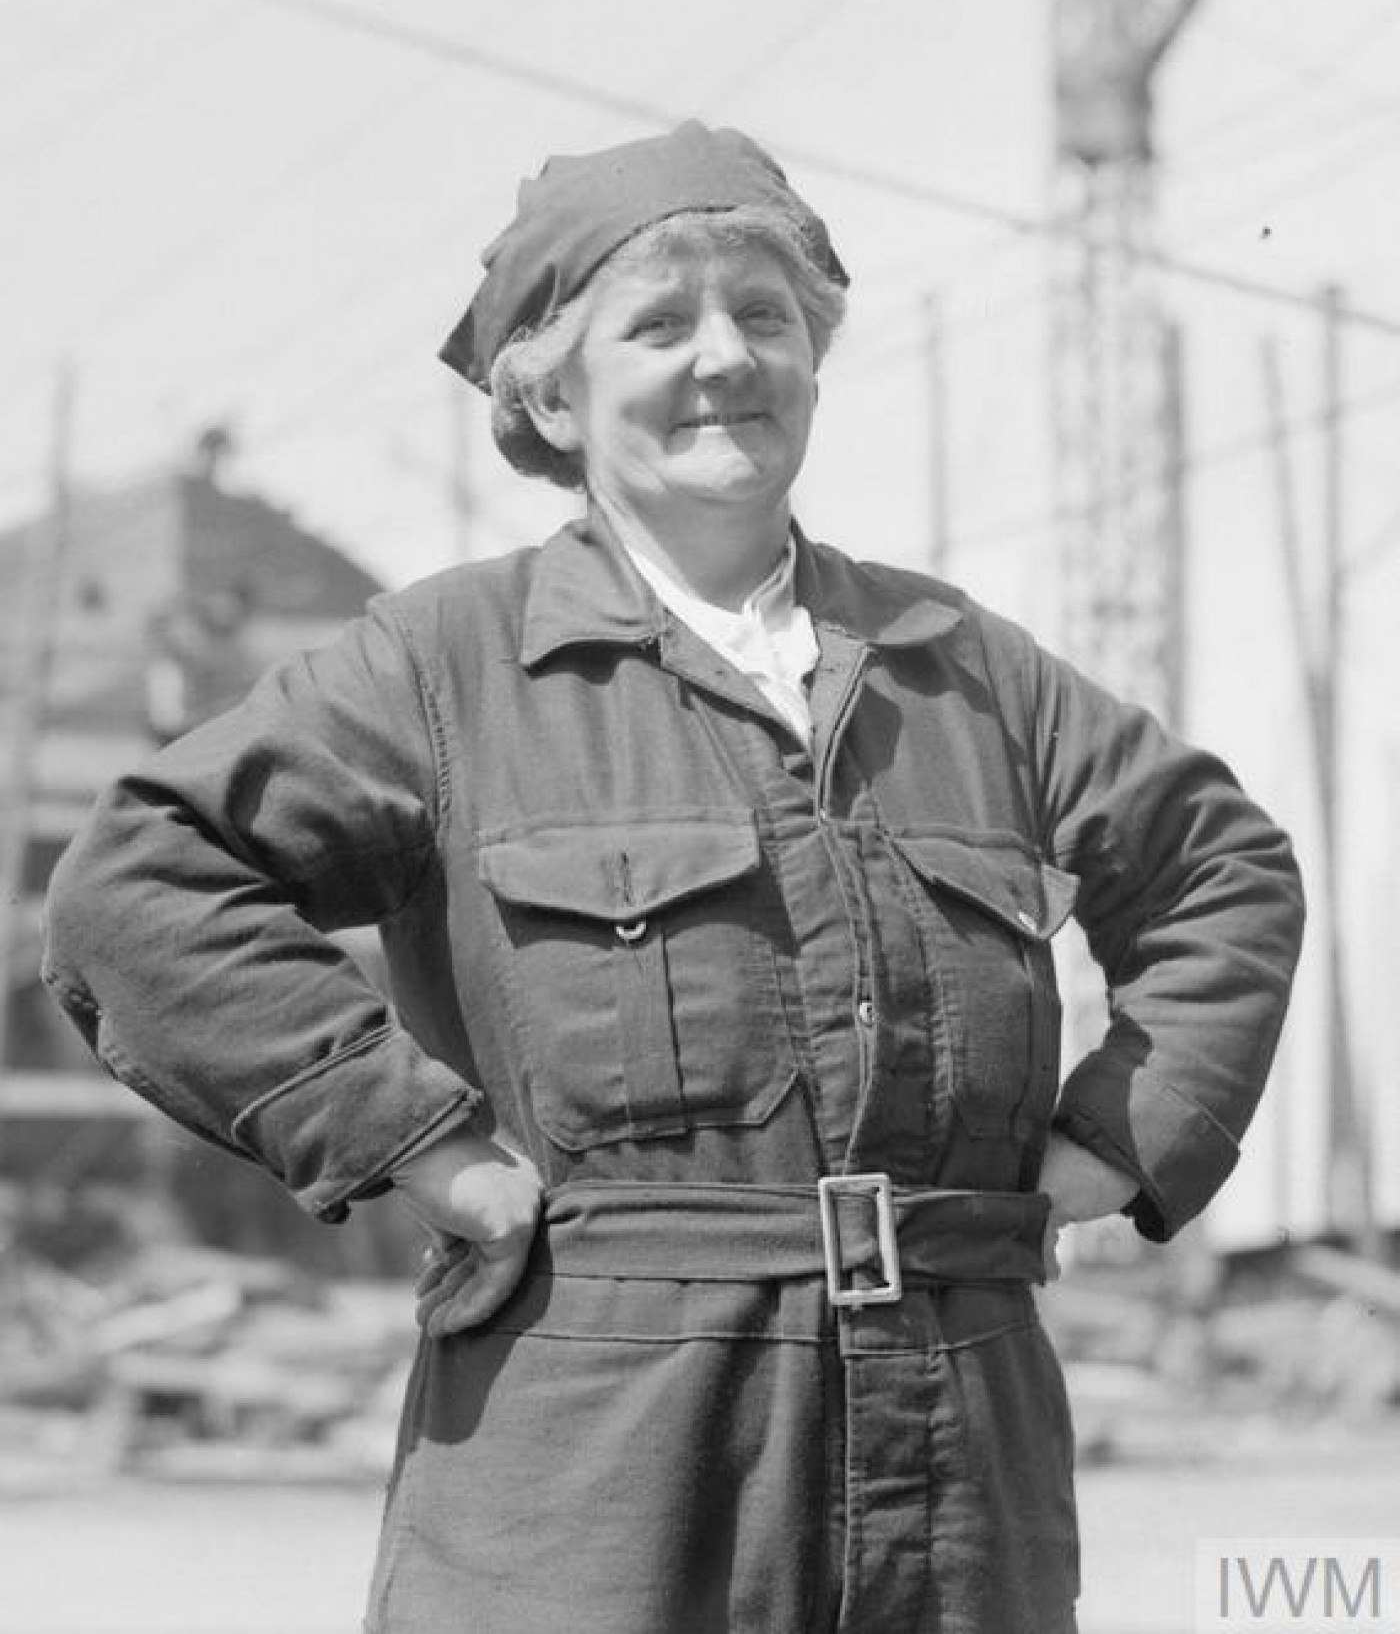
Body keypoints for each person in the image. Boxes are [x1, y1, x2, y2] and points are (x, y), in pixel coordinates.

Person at [43, 121, 1304, 1634]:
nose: (727, 357)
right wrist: (410, 1141)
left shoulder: (967, 671)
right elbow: (140, 884)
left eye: (765, 316)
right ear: (552, 397)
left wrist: (1119, 1141)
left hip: (961, 1469)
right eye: (660, 323)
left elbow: (1222, 865)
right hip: (602, 1465)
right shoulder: (448, 666)